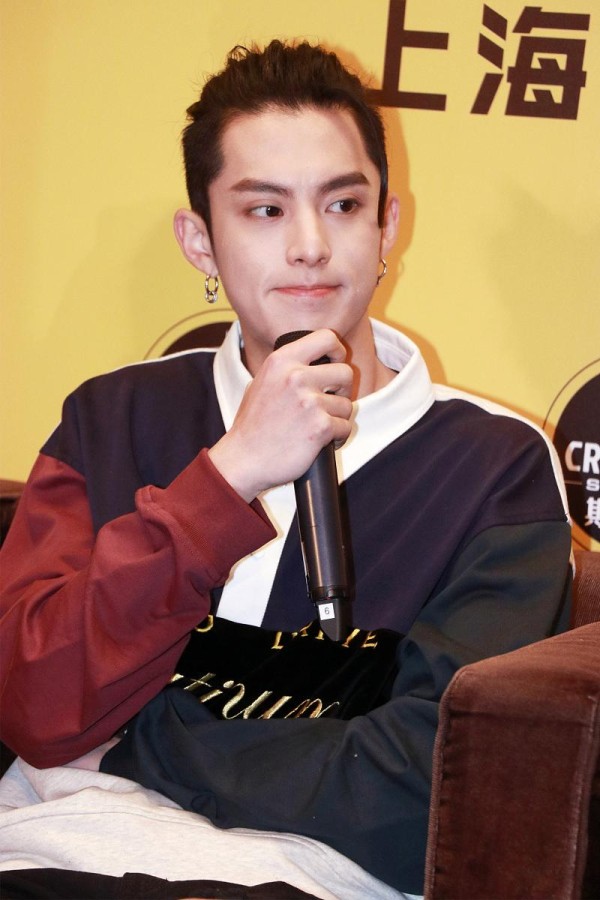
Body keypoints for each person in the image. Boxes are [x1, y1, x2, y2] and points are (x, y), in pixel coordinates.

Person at [0, 40, 571, 900]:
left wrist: (143, 742)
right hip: (49, 852)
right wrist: (227, 478)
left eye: (343, 204)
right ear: (200, 241)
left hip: (299, 878)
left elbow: (433, 789)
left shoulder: (495, 467)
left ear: (387, 227)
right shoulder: (112, 417)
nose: (310, 246)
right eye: (265, 210)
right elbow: (35, 704)